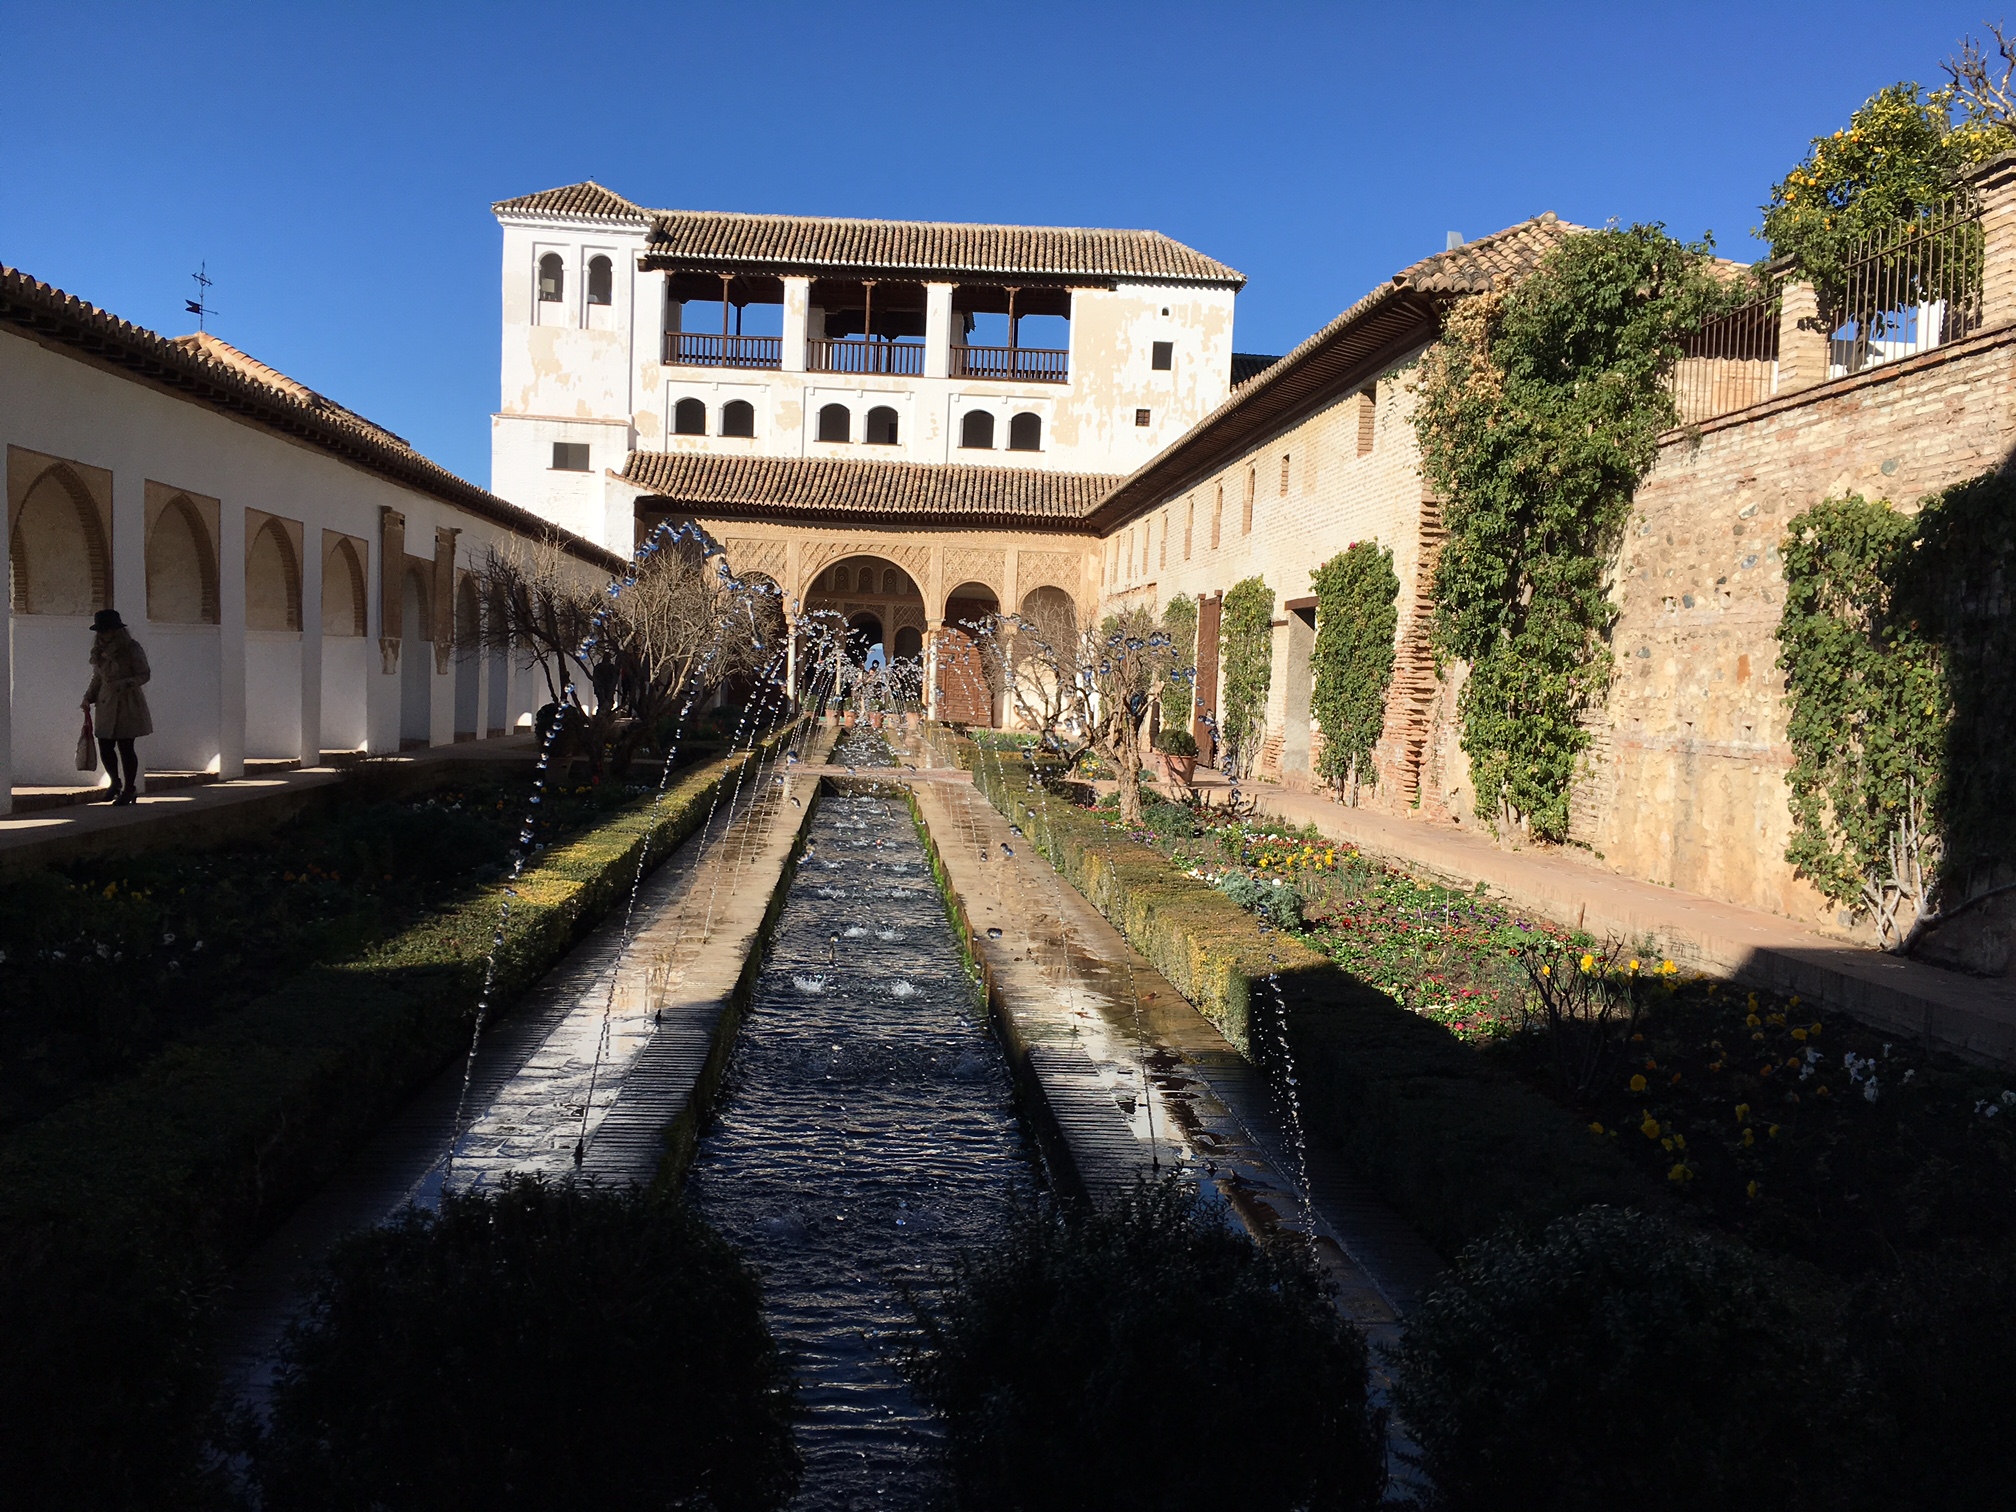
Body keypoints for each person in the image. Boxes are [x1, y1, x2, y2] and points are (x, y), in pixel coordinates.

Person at [80, 609, 152, 805]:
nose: (102, 635)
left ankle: (130, 788)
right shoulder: (99, 652)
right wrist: (88, 697)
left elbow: (144, 674)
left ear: (115, 630)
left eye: (106, 630)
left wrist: (127, 683)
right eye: (100, 631)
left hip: (127, 702)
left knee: (126, 746)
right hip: (106, 702)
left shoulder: (131, 648)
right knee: (105, 745)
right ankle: (115, 782)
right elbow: (98, 678)